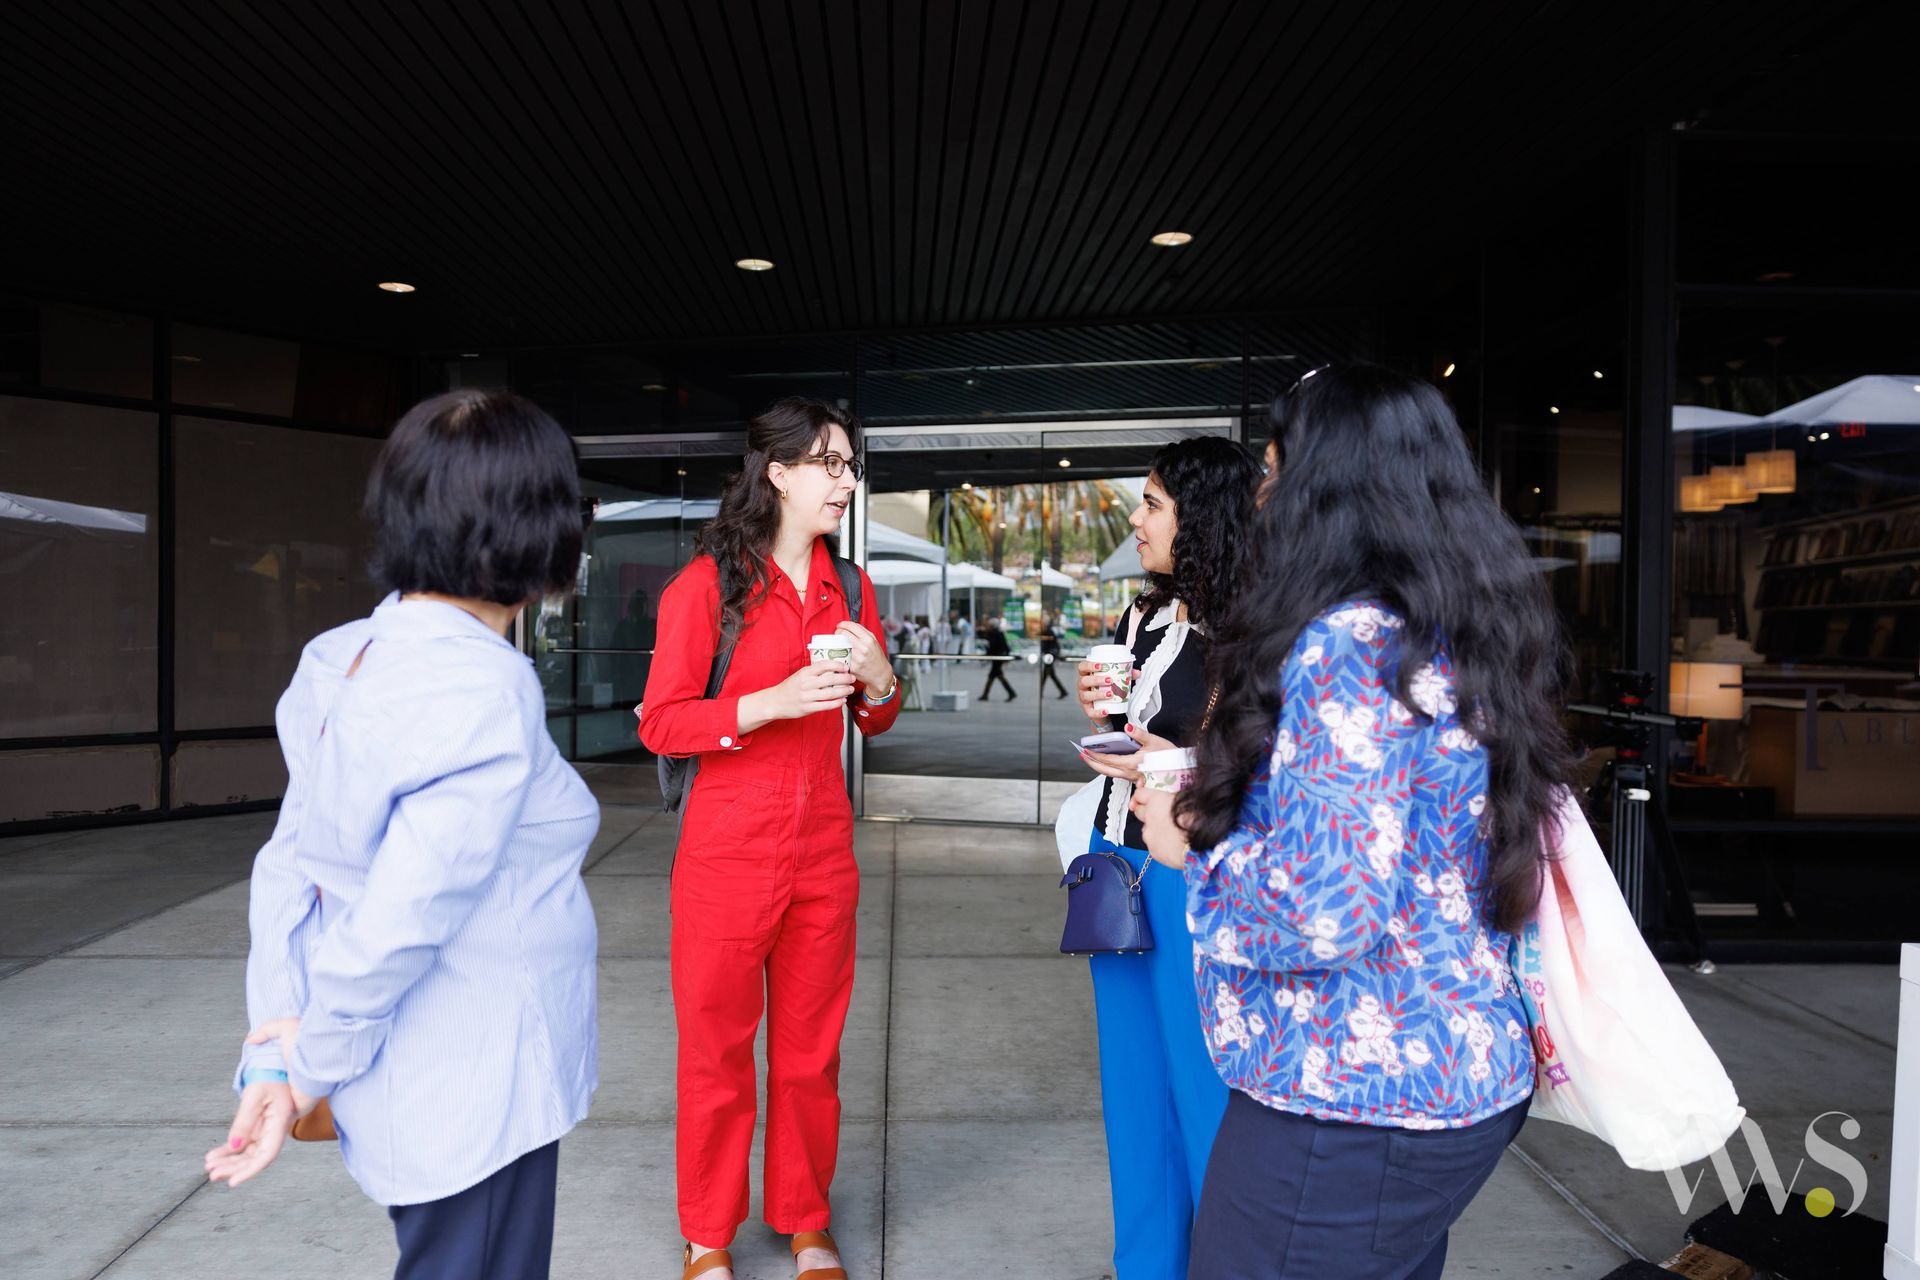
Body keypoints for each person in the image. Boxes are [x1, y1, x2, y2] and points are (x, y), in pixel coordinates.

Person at [1129, 364, 1579, 1280]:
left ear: (1325, 487)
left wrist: (1188, 852)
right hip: (1448, 1075)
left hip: (1345, 1095)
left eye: (1273, 469)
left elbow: (1320, 910)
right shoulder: (1457, 628)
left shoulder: (1349, 645)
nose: (1263, 495)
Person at [205, 389, 600, 1280]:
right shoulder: (485, 688)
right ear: (537, 528)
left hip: (415, 1086)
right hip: (476, 1085)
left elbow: (290, 869)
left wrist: (275, 1051)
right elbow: (406, 912)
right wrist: (307, 1072)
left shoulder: (342, 657)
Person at [638, 397, 898, 1280]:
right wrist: (768, 705)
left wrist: (878, 675)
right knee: (714, 1054)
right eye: (830, 464)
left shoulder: (852, 587)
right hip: (724, 855)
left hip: (822, 852)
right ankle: (707, 1234)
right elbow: (663, 723)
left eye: (852, 467)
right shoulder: (705, 589)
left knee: (808, 1054)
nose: (846, 482)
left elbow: (881, 714)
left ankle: (804, 1217)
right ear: (778, 472)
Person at [1065, 437, 1260, 1279]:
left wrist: (1159, 758)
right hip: (1116, 862)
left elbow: (1260, 765)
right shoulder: (1143, 616)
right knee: (1134, 1094)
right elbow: (1132, 731)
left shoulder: (1257, 631)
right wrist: (1102, 713)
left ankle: (1220, 1263)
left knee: (1203, 1089)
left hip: (1193, 872)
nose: (1136, 520)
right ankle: (1146, 1265)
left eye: (1151, 504)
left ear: (1201, 516)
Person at [979, 614, 1017, 700]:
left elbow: (993, 647)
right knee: (995, 675)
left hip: (997, 658)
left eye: (989, 625)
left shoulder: (994, 634)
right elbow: (1005, 646)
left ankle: (1010, 692)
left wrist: (986, 655)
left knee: (994, 675)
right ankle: (986, 695)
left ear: (992, 626)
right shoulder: (998, 633)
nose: (988, 626)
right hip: (998, 657)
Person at [1036, 612, 1070, 698]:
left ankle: (1041, 694)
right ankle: (1063, 691)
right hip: (1048, 656)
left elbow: (1053, 645)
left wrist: (1054, 655)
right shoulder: (1045, 631)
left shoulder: (1048, 632)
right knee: (1051, 675)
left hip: (1049, 657)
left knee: (1046, 675)